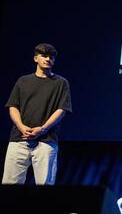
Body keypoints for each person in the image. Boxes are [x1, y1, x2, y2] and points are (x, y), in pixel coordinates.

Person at [2, 43, 72, 185]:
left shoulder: (61, 83)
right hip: (19, 139)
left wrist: (43, 128)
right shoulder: (23, 81)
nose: (48, 59)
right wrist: (21, 126)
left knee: (45, 185)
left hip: (46, 141)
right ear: (36, 58)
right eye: (44, 56)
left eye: (51, 57)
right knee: (10, 184)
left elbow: (62, 109)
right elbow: (13, 106)